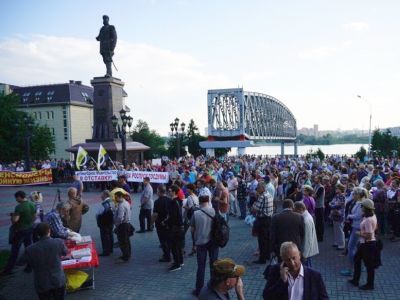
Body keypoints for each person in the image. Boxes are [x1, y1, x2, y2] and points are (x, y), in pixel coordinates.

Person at [263, 241, 328, 300]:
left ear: (299, 255)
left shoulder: (315, 276)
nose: (292, 263)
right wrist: (282, 281)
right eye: (288, 260)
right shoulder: (275, 271)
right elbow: (267, 297)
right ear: (283, 259)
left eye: (294, 258)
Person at [24, 222, 67, 300]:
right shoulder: (59, 242)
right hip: (58, 279)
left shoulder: (30, 249)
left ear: (37, 234)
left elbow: (20, 262)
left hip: (42, 282)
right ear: (49, 231)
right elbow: (65, 252)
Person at [348, 199, 380, 290]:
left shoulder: (369, 219)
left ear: (366, 208)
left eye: (362, 206)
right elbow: (376, 228)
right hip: (364, 244)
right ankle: (355, 280)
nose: (361, 207)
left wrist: (359, 233)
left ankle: (370, 285)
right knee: (357, 259)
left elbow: (369, 236)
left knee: (369, 265)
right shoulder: (371, 216)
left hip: (368, 244)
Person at [2, 191, 36, 275]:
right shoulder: (32, 204)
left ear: (19, 197)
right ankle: (29, 267)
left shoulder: (19, 207)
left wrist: (13, 217)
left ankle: (8, 270)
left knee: (15, 251)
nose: (16, 200)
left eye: (16, 198)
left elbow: (15, 220)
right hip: (30, 228)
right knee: (29, 248)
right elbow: (34, 216)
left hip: (20, 231)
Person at [191, 195, 219, 296]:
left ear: (199, 201)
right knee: (214, 265)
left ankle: (199, 290)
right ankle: (214, 287)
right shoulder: (214, 211)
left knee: (201, 267)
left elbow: (192, 229)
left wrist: (194, 242)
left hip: (201, 242)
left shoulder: (196, 213)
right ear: (208, 201)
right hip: (213, 242)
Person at [252, 182, 274, 264]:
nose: (257, 189)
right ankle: (267, 255)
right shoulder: (269, 195)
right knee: (267, 238)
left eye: (258, 187)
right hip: (269, 218)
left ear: (262, 188)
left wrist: (254, 204)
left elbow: (255, 209)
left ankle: (262, 259)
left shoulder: (262, 196)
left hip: (262, 219)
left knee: (261, 240)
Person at [164, 184, 184, 272]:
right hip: (179, 227)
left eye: (170, 191)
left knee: (174, 246)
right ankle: (180, 261)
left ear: (174, 192)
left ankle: (177, 264)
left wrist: (165, 222)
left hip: (175, 227)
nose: (168, 192)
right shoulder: (179, 201)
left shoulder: (173, 202)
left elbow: (173, 216)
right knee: (178, 246)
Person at [293, 202, 319, 267]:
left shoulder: (306, 220)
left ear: (300, 209)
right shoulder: (306, 217)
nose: (295, 213)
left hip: (306, 251)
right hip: (307, 250)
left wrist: (304, 254)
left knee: (307, 269)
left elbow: (307, 239)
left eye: (295, 211)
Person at [152, 185, 172, 262]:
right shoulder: (170, 200)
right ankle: (168, 253)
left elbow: (155, 214)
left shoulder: (157, 202)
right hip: (169, 223)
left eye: (157, 191)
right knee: (168, 239)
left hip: (160, 224)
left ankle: (167, 256)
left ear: (159, 192)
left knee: (163, 240)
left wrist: (151, 223)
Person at [114, 191, 132, 262]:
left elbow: (120, 218)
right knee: (127, 241)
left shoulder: (121, 205)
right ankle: (128, 254)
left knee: (123, 241)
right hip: (127, 224)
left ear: (120, 197)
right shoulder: (126, 203)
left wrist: (116, 224)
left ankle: (125, 257)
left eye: (116, 197)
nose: (115, 199)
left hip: (122, 225)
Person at [96, 190, 114, 256]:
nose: (101, 195)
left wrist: (98, 220)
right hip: (110, 221)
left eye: (102, 194)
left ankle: (106, 251)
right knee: (110, 234)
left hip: (104, 222)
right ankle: (110, 249)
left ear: (105, 195)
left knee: (104, 237)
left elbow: (99, 213)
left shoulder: (104, 204)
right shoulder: (112, 202)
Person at [183, 183, 199, 256]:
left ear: (191, 189)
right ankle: (194, 247)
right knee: (193, 233)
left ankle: (182, 248)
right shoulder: (195, 196)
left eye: (187, 188)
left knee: (183, 232)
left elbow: (189, 208)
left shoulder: (189, 197)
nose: (186, 189)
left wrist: (184, 206)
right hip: (195, 216)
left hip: (190, 217)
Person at [313, 175, 325, 242]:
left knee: (320, 222)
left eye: (316, 178)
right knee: (317, 222)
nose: (315, 179)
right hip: (316, 206)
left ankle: (320, 237)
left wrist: (311, 194)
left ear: (319, 180)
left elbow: (315, 196)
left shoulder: (321, 187)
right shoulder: (315, 185)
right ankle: (317, 235)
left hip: (320, 207)